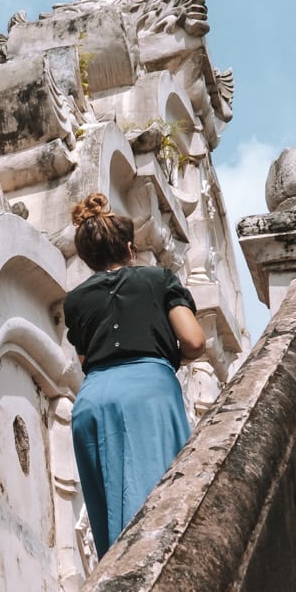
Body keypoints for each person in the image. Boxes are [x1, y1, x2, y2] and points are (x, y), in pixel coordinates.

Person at [62, 193, 207, 559]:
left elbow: (85, 358)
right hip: (148, 390)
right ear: (129, 249)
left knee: (113, 519)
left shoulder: (75, 300)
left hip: (93, 400)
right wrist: (170, 357)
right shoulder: (158, 279)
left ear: (88, 259)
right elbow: (194, 341)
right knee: (159, 507)